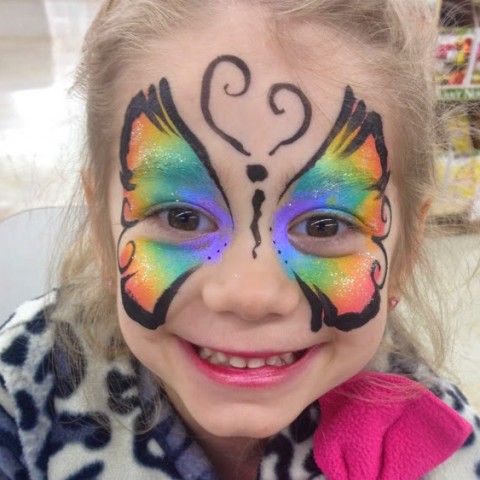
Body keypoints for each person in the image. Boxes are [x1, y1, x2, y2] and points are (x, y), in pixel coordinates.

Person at [1, 1, 479, 479]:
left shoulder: (433, 443)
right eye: (182, 217)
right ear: (103, 235)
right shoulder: (24, 393)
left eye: (324, 225)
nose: (250, 296)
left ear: (405, 254)